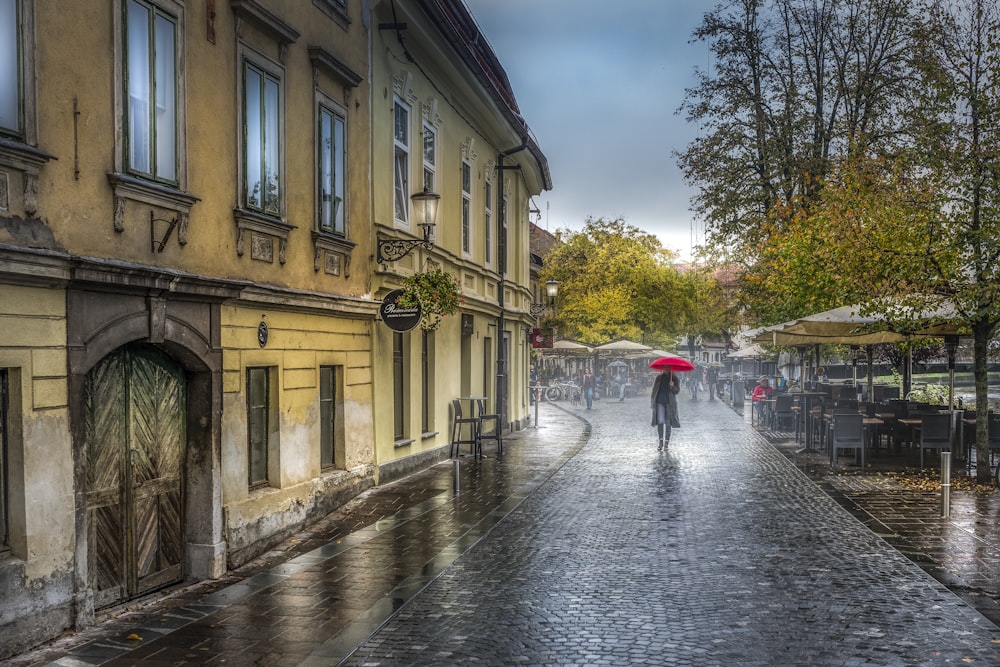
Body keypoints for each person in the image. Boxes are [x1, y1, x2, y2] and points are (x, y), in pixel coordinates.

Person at [650, 369, 681, 450]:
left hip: (669, 404)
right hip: (659, 402)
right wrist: (652, 402)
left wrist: (672, 387)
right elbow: (654, 390)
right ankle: (660, 442)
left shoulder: (674, 378)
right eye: (664, 367)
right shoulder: (659, 378)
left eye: (667, 367)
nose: (665, 369)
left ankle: (666, 443)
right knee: (660, 422)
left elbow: (677, 391)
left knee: (668, 423)